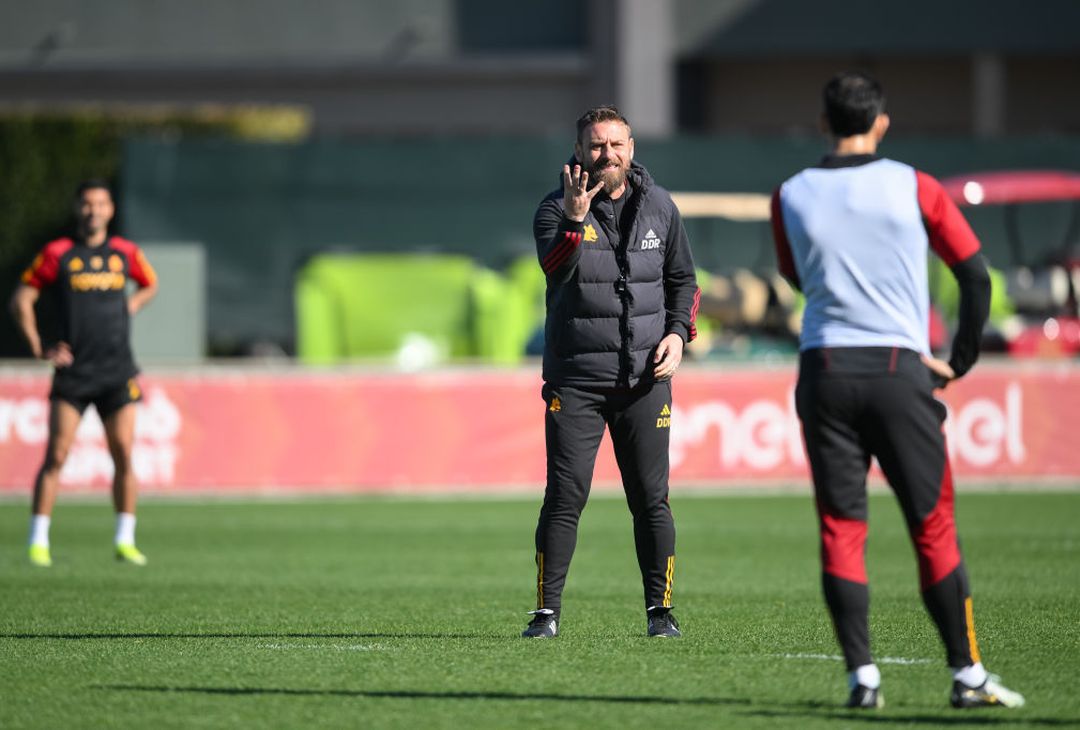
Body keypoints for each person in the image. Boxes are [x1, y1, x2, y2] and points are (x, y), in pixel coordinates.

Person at [770, 72, 1024, 709]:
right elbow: (975, 275)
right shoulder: (916, 185)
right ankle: (966, 677)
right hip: (897, 369)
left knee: (840, 528)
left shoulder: (791, 193)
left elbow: (796, 276)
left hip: (824, 368)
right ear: (881, 122)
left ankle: (863, 680)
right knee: (932, 527)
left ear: (823, 123)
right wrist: (958, 360)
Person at [523, 106, 700, 639]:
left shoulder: (661, 207)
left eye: (616, 144)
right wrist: (576, 221)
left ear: (632, 147)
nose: (607, 154)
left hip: (646, 382)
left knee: (651, 499)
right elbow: (556, 271)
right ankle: (546, 613)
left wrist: (677, 333)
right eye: (596, 146)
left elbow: (684, 283)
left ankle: (660, 612)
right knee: (565, 496)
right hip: (577, 381)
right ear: (579, 152)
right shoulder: (554, 209)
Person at [10, 179, 158, 567]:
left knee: (123, 453)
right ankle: (37, 540)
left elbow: (150, 284)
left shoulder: (125, 253)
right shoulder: (58, 253)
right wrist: (39, 346)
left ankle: (125, 539)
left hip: (117, 370)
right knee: (56, 455)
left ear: (111, 209)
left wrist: (130, 307)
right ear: (78, 209)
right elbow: (21, 298)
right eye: (87, 204)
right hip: (74, 373)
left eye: (101, 204)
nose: (94, 210)